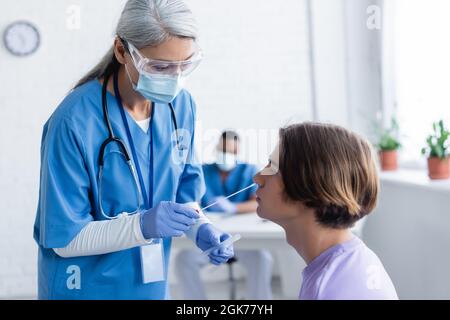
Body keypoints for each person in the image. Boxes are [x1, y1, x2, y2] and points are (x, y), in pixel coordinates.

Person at [33, 0, 234, 300]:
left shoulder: (182, 107)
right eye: (159, 66)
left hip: (149, 288)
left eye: (184, 65)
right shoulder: (74, 121)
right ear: (121, 50)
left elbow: (184, 199)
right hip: (84, 289)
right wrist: (142, 225)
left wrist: (200, 228)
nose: (174, 78)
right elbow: (66, 237)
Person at [253, 122, 398, 300]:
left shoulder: (325, 289)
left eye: (272, 167)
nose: (257, 177)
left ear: (309, 184)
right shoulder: (357, 260)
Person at [175, 131, 273, 299]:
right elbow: (190, 199)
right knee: (184, 260)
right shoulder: (203, 170)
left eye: (231, 152)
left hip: (242, 239)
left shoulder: (249, 170)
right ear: (217, 148)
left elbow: (257, 201)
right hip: (210, 237)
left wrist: (233, 208)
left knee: (262, 258)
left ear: (238, 152)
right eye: (223, 149)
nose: (226, 155)